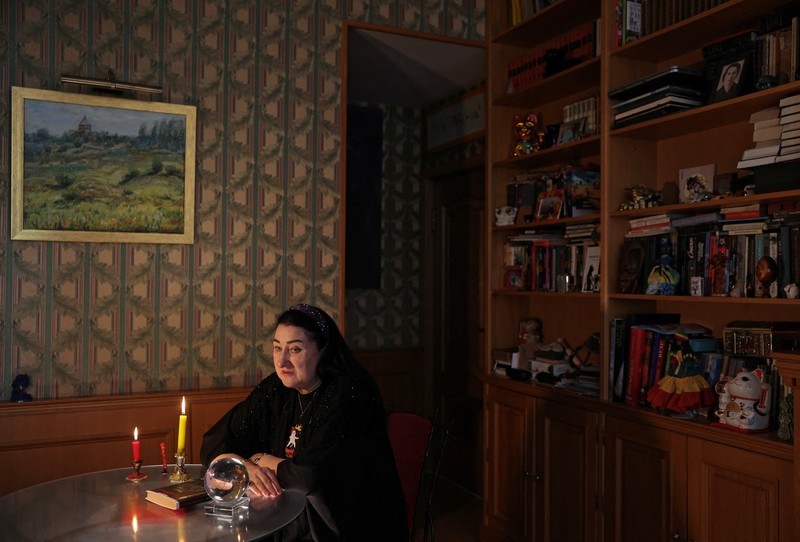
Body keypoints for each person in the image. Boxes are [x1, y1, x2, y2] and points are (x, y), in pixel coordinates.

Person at [200, 303, 408, 541]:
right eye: (277, 348)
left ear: (323, 351)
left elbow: (312, 474)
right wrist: (245, 466)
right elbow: (217, 440)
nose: (282, 361)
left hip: (341, 522)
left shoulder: (349, 392)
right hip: (285, 512)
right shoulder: (276, 388)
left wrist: (261, 459)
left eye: (295, 350)